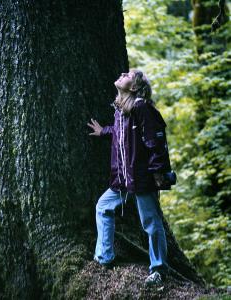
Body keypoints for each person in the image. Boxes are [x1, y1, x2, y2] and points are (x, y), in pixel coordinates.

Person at [87, 69, 172, 286]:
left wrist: (159, 172)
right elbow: (119, 132)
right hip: (123, 180)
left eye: (129, 74)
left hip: (142, 179)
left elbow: (156, 142)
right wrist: (103, 131)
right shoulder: (121, 110)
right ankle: (104, 257)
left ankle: (159, 269)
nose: (124, 73)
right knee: (103, 207)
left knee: (151, 223)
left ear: (133, 87)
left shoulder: (142, 108)